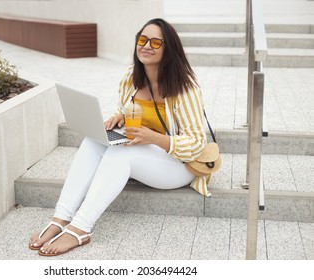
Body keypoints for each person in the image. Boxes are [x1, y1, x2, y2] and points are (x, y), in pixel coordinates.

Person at [29, 18, 210, 257]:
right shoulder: (130, 79)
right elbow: (129, 113)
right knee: (94, 139)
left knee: (121, 152)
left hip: (179, 165)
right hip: (147, 156)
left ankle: (81, 227)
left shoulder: (185, 88)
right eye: (142, 39)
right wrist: (119, 119)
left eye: (156, 42)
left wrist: (153, 138)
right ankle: (60, 218)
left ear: (169, 50)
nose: (146, 46)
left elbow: (197, 144)